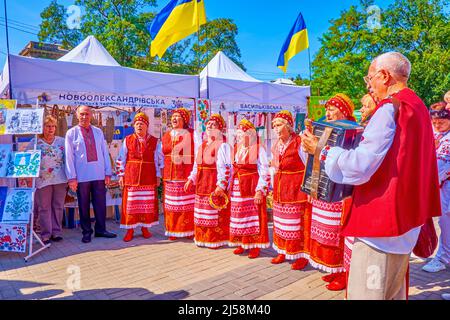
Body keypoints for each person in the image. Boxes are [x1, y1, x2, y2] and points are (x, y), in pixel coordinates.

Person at [301, 51, 441, 300]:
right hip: (404, 225)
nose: (369, 87)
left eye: (370, 79)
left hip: (380, 227)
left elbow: (360, 166)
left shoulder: (389, 108)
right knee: (393, 293)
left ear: (384, 76)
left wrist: (320, 150)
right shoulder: (417, 106)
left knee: (368, 293)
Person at [301, 93, 356, 291]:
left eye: (332, 109)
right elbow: (311, 158)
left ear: (344, 111)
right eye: (327, 109)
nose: (328, 113)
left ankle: (343, 272)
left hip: (341, 191)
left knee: (338, 232)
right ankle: (333, 267)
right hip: (324, 186)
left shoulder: (352, 131)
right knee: (326, 230)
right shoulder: (325, 129)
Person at [65, 105, 117, 243]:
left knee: (100, 203)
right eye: (82, 114)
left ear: (91, 115)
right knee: (83, 205)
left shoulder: (98, 132)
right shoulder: (71, 133)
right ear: (77, 115)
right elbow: (68, 157)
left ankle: (101, 230)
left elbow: (105, 152)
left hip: (99, 174)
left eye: (87, 114)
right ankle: (86, 232)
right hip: (81, 176)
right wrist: (72, 178)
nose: (84, 116)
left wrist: (108, 172)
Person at [184, 114, 231, 249]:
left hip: (213, 182)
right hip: (201, 182)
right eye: (208, 124)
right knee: (202, 212)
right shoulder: (202, 145)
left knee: (213, 212)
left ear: (220, 129)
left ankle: (214, 239)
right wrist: (191, 179)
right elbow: (196, 164)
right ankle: (201, 237)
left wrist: (221, 186)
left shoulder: (223, 146)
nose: (210, 126)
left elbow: (226, 168)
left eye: (213, 124)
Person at [270, 110, 309, 270]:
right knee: (280, 222)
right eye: (274, 126)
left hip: (295, 189)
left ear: (288, 126)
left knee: (295, 224)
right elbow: (273, 165)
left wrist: (308, 188)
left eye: (279, 125)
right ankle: (283, 250)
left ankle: (299, 255)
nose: (276, 128)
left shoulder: (299, 142)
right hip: (280, 189)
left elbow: (308, 164)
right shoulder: (276, 145)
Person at [116, 112, 163, 242]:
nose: (139, 126)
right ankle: (130, 230)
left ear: (147, 126)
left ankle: (145, 228)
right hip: (132, 177)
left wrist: (158, 176)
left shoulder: (154, 141)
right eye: (137, 124)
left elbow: (158, 160)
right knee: (131, 205)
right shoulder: (128, 140)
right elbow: (121, 158)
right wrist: (121, 175)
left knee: (145, 204)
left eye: (142, 124)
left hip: (148, 177)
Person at [228, 118, 270, 258]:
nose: (239, 136)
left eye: (242, 133)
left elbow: (264, 169)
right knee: (240, 215)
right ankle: (242, 242)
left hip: (251, 186)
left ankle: (255, 245)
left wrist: (260, 189)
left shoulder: (258, 148)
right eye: (238, 133)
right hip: (237, 186)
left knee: (253, 216)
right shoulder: (236, 148)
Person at [422, 102, 450, 272]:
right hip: (436, 187)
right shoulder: (432, 134)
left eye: (442, 122)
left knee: (446, 221)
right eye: (434, 122)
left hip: (446, 186)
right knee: (443, 220)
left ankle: (443, 257)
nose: (438, 125)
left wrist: (441, 176)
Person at [32, 115, 68, 245]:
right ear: (42, 128)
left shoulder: (62, 141)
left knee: (58, 206)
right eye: (48, 126)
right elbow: (27, 159)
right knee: (44, 207)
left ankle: (56, 232)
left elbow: (68, 159)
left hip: (60, 179)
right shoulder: (35, 142)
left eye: (53, 126)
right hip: (42, 180)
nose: (51, 129)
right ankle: (46, 234)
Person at [161, 108, 195, 241]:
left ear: (184, 120)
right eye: (173, 116)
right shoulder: (166, 135)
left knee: (186, 204)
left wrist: (194, 175)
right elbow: (160, 154)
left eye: (178, 117)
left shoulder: (192, 134)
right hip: (169, 176)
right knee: (172, 205)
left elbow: (198, 152)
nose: (174, 119)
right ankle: (173, 230)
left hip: (184, 175)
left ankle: (189, 230)